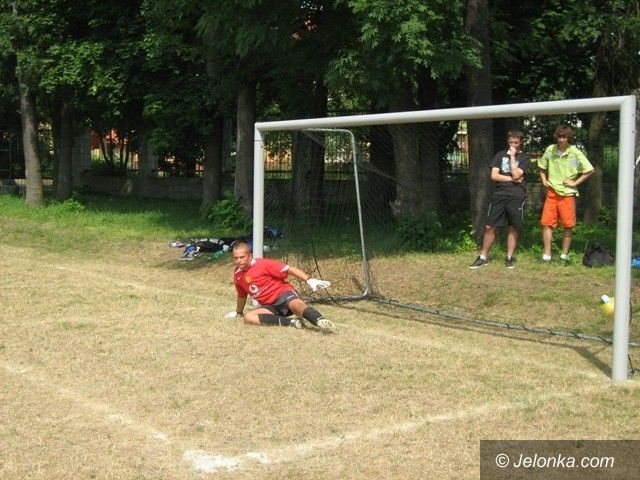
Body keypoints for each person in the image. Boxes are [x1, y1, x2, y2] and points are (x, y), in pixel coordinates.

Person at [223, 241, 338, 333]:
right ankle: (292, 322)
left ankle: (321, 321)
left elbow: (289, 269)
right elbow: (242, 296)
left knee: (297, 306)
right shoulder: (237, 275)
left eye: (242, 257)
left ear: (250, 256)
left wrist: (309, 280)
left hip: (284, 295)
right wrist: (238, 312)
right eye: (236, 258)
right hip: (270, 306)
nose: (239, 261)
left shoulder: (263, 264)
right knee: (249, 317)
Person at [469, 130, 530, 269]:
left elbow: (517, 174)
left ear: (521, 142)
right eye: (511, 142)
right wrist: (512, 179)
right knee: (490, 226)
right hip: (499, 195)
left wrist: (513, 157)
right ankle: (483, 256)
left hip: (516, 195)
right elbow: (494, 175)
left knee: (513, 226)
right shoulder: (500, 155)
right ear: (507, 141)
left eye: (516, 142)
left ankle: (509, 257)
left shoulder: (524, 158)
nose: (513, 145)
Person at [538, 125, 594, 262]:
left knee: (568, 224)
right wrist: (544, 180)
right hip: (552, 192)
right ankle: (547, 254)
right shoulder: (550, 150)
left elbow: (589, 170)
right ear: (556, 137)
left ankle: (564, 254)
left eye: (564, 137)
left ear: (569, 138)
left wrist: (575, 183)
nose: (561, 139)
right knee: (546, 223)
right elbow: (541, 167)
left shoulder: (574, 153)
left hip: (567, 194)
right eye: (559, 137)